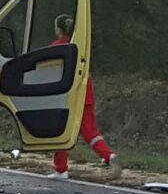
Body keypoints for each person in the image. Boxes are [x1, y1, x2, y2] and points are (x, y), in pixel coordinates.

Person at [47, 13, 121, 181]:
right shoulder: (81, 45)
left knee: (61, 131)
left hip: (66, 95)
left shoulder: (56, 48)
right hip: (85, 91)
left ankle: (61, 169)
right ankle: (109, 156)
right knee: (90, 132)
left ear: (59, 30)